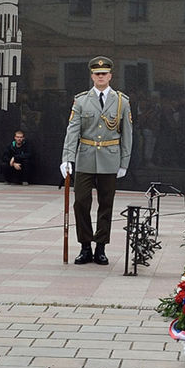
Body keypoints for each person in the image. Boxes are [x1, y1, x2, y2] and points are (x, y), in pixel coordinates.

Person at [60, 56, 133, 265]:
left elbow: (127, 134)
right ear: (92, 76)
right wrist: (67, 158)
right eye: (97, 73)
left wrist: (124, 162)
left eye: (104, 73)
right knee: (81, 202)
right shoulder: (82, 100)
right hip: (85, 157)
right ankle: (85, 246)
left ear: (110, 75)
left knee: (106, 204)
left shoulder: (122, 101)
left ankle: (100, 247)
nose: (101, 77)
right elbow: (72, 130)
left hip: (110, 158)